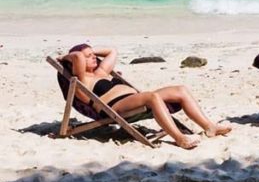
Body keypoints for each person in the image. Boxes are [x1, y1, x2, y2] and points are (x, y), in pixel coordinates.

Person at [61, 44, 231, 149]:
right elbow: (76, 56)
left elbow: (113, 51)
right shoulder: (81, 80)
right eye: (88, 56)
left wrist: (91, 50)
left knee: (180, 90)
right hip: (115, 107)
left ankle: (209, 127)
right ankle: (180, 138)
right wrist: (66, 57)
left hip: (135, 98)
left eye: (93, 55)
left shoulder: (101, 71)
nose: (93, 57)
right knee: (151, 97)